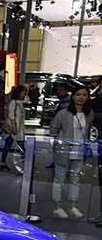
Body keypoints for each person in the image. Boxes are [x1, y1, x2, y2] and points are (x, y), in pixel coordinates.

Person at [50, 87, 94, 219]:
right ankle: (57, 207)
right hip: (63, 151)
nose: (81, 97)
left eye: (84, 95)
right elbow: (53, 129)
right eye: (78, 94)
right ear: (73, 96)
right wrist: (58, 143)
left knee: (75, 180)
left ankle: (72, 206)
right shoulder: (63, 113)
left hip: (79, 151)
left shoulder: (89, 113)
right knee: (59, 179)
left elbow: (87, 131)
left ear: (88, 97)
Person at [0, 85, 26, 172]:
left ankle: (25, 163)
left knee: (18, 146)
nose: (25, 93)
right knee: (10, 146)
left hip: (18, 129)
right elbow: (11, 116)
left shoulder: (19, 102)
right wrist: (14, 128)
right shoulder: (13, 102)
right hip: (13, 129)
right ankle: (3, 163)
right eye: (23, 91)